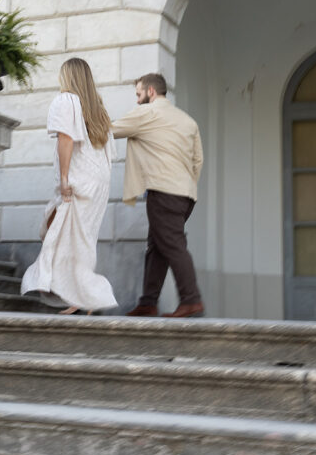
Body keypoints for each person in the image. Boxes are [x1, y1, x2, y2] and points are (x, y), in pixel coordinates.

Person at [21, 58, 118, 314]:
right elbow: (109, 151)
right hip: (99, 181)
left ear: (68, 77)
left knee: (55, 228)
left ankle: (70, 289)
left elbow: (65, 140)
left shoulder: (66, 101)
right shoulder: (97, 107)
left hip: (79, 177)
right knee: (81, 238)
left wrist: (64, 179)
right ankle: (79, 296)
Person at [112, 73, 205, 318]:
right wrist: (185, 184)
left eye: (138, 93)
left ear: (151, 92)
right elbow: (198, 160)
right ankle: (148, 302)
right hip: (186, 194)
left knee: (172, 244)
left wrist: (82, 125)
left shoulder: (147, 114)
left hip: (164, 191)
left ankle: (191, 299)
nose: (137, 99)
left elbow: (111, 130)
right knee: (157, 246)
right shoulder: (188, 121)